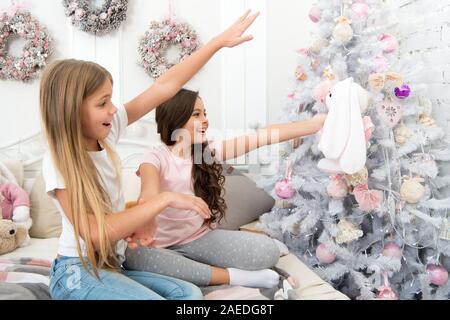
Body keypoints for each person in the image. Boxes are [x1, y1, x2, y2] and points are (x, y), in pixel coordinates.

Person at [39, 10, 260, 300]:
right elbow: (95, 233)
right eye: (103, 103)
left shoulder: (107, 134)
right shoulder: (58, 160)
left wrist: (216, 44)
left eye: (112, 100)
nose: (114, 110)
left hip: (113, 266)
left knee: (190, 294)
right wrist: (162, 201)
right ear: (72, 110)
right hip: (75, 273)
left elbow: (163, 87)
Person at [124, 88, 327, 288]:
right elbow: (148, 194)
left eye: (205, 114)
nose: (205, 120)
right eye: (197, 114)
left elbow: (262, 136)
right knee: (130, 256)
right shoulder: (155, 156)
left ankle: (194, 267)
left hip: (198, 238)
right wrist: (166, 201)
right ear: (176, 118)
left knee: (268, 252)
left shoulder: (206, 152)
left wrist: (314, 125)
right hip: (159, 246)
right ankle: (232, 276)